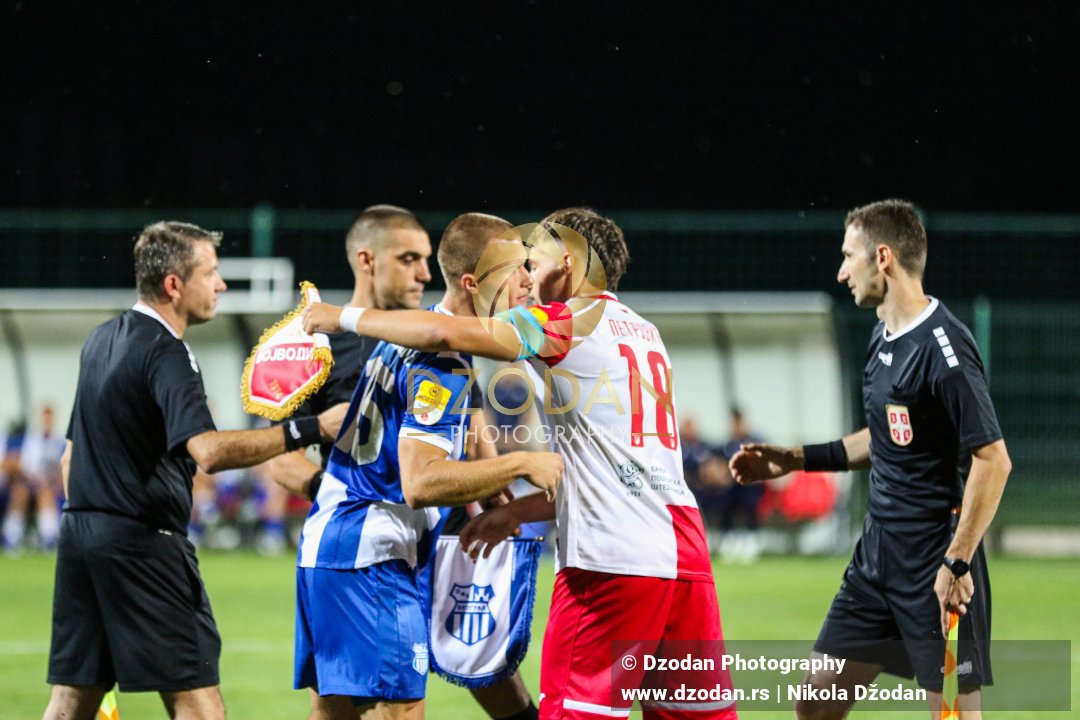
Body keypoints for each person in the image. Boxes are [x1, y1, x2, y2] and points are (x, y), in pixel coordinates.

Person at [304, 207, 738, 720]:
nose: (528, 276)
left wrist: (340, 318)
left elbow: (445, 333)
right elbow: (616, 473)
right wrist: (516, 512)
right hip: (685, 557)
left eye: (537, 260)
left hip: (611, 564)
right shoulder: (644, 333)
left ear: (571, 265)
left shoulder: (566, 322)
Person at [43, 221, 345, 720]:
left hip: (80, 537)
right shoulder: (167, 350)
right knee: (200, 705)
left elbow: (69, 458)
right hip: (144, 545)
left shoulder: (101, 339)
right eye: (211, 273)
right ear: (174, 285)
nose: (221, 284)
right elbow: (206, 451)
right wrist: (310, 428)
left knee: (71, 700)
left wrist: (97, 531)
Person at [729, 199, 1011, 719]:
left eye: (848, 255)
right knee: (815, 704)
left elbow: (993, 460)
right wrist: (795, 459)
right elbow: (885, 439)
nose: (841, 271)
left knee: (952, 715)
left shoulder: (945, 349)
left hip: (935, 560)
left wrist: (958, 559)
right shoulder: (881, 335)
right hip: (876, 557)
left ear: (882, 257)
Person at [266, 205, 541, 719]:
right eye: (515, 270)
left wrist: (491, 489)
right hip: (374, 549)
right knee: (401, 713)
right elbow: (420, 483)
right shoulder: (439, 360)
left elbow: (457, 431)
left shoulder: (410, 339)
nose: (529, 282)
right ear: (472, 281)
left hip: (333, 543)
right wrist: (520, 466)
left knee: (334, 712)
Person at [2, 405, 65, 551]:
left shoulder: (59, 443)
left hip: (49, 486)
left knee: (45, 493)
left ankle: (49, 537)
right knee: (20, 493)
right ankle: (11, 537)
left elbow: (61, 471)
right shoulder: (28, 440)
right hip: (27, 482)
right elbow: (18, 465)